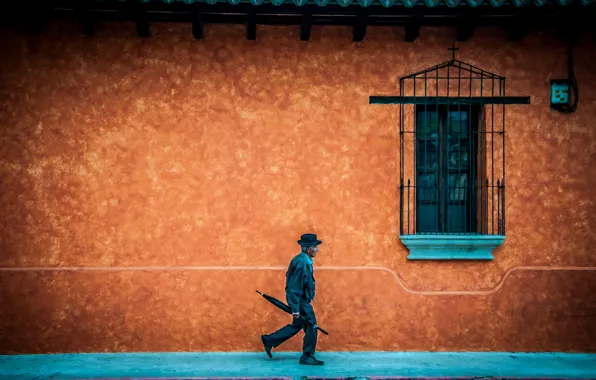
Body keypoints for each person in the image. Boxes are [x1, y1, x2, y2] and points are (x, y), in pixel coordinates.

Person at [260, 233, 324, 366]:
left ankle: (269, 340)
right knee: (312, 327)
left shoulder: (303, 260)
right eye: (315, 247)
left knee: (298, 325)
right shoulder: (301, 263)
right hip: (301, 302)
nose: (317, 250)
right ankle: (307, 356)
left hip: (301, 301)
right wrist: (295, 308)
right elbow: (294, 288)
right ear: (307, 249)